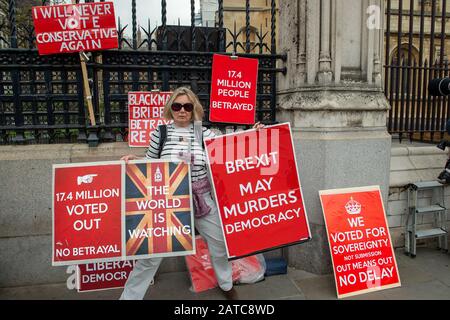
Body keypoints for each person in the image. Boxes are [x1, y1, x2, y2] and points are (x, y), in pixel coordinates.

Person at [120, 87, 264, 300]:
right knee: (152, 254)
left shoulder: (202, 132)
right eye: (177, 106)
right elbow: (150, 163)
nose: (182, 111)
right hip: (168, 202)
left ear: (193, 108)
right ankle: (129, 298)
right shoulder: (160, 133)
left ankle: (226, 285)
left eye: (187, 106)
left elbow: (227, 146)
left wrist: (252, 133)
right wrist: (135, 160)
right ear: (171, 108)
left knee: (219, 245)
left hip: (201, 199)